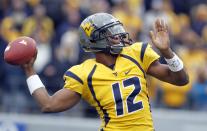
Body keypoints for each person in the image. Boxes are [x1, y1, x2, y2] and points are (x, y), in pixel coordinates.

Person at [22, 13, 189, 131]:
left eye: (117, 31)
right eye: (110, 34)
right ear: (94, 41)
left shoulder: (136, 53)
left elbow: (181, 79)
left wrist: (167, 52)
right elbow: (48, 105)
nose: (118, 36)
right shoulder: (85, 72)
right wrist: (30, 70)